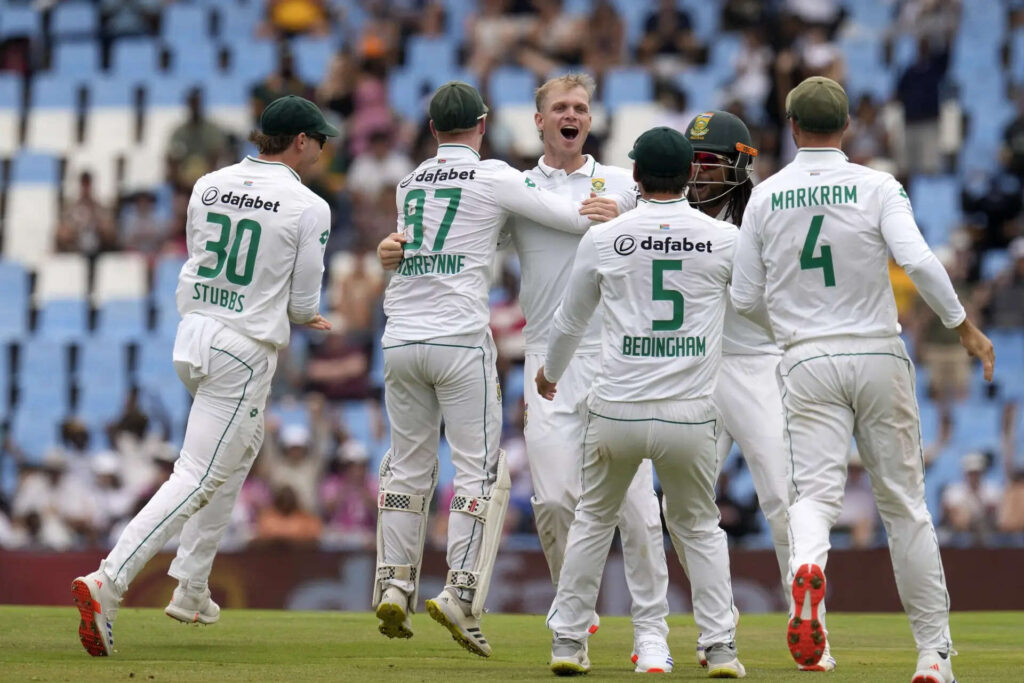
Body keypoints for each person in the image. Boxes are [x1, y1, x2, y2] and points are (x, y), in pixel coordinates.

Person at [378, 73, 673, 670]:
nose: (573, 115)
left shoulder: (622, 182)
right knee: (557, 500)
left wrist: (624, 213)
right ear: (538, 120)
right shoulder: (514, 186)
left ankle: (652, 634)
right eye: (560, 107)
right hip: (547, 357)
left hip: (620, 354)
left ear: (591, 119)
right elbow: (454, 234)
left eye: (582, 107)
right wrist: (398, 248)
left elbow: (670, 228)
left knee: (639, 508)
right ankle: (575, 615)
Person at [731, 76, 995, 682]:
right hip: (877, 351)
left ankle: (807, 574)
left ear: (792, 127)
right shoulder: (877, 185)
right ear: (848, 126)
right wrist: (962, 328)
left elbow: (744, 297)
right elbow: (921, 262)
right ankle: (933, 657)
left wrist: (796, 325)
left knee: (814, 500)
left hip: (806, 358)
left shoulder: (766, 197)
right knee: (905, 508)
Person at [72, 94, 338, 656]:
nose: (321, 149)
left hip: (194, 336)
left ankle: (192, 587)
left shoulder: (209, 184)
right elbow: (300, 303)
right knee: (196, 474)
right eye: (319, 140)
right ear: (300, 142)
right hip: (243, 350)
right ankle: (108, 582)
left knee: (239, 451)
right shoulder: (310, 205)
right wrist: (307, 316)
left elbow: (200, 256)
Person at [537, 127, 745, 678]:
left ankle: (567, 641)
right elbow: (753, 309)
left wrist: (549, 373)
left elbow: (570, 320)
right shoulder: (724, 239)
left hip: (618, 408)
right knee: (699, 527)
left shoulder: (605, 238)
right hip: (690, 412)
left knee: (592, 521)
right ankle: (719, 645)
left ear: (634, 177)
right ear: (688, 179)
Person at [684, 109, 833, 671]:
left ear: (740, 165)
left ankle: (811, 629)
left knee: (779, 496)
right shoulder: (669, 205)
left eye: (709, 163)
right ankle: (717, 625)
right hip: (695, 367)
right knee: (683, 504)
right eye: (692, 161)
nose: (698, 173)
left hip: (756, 364)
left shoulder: (766, 208)